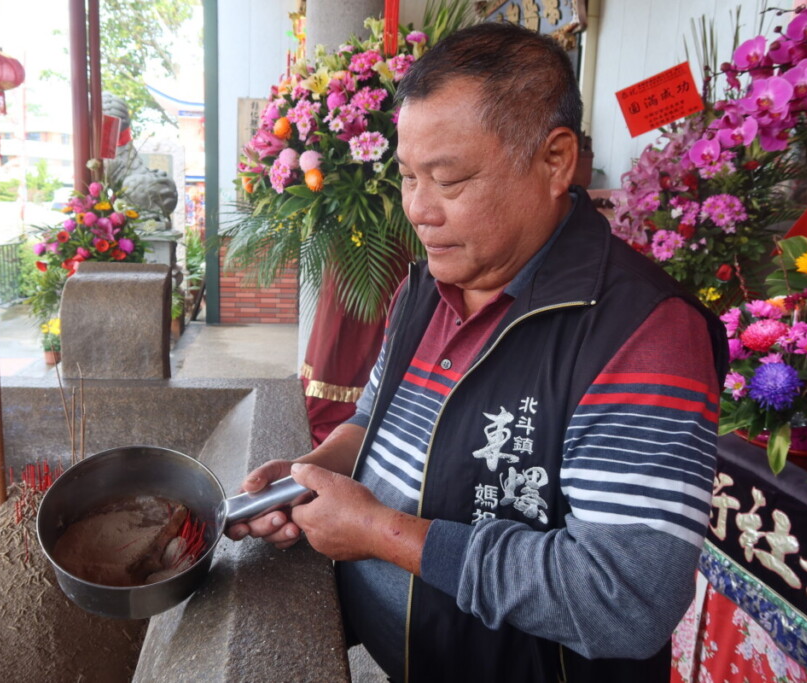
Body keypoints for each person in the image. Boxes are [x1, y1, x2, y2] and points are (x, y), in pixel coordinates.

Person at [226, 22, 728, 683]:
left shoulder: (642, 332)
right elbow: (374, 417)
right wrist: (311, 471)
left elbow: (625, 598)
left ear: (555, 160)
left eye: (449, 179)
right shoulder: (424, 286)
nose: (419, 210)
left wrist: (380, 532)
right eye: (408, 177)